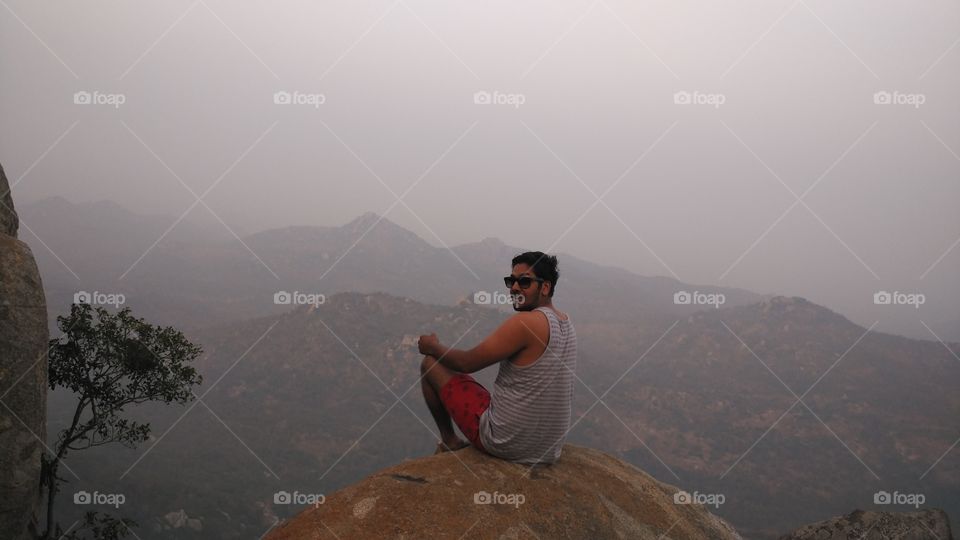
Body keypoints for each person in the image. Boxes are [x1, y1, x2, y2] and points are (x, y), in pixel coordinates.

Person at [418, 251, 577, 465]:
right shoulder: (566, 323)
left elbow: (467, 363)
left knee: (430, 364)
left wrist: (433, 347)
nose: (514, 288)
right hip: (549, 449)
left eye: (524, 282)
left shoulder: (526, 322)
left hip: (506, 442)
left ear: (545, 287)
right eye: (511, 281)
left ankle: (450, 441)